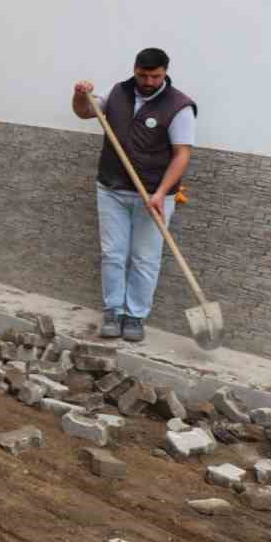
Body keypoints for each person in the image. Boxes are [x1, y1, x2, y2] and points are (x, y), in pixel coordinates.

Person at [71, 48, 197, 342]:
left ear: (165, 73)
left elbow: (182, 155)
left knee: (145, 258)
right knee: (113, 254)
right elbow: (85, 111)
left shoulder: (179, 106)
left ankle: (135, 316)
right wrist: (79, 95)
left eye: (155, 76)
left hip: (154, 195)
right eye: (143, 75)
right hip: (112, 189)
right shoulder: (118, 93)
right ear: (135, 69)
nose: (149, 82)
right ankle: (113, 312)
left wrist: (161, 193)